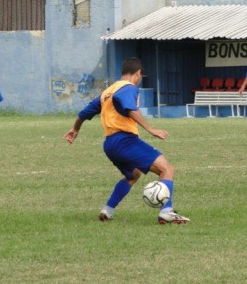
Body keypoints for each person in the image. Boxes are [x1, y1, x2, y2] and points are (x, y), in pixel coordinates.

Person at [63, 57, 190, 224]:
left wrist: (75, 129)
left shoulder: (107, 92)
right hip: (125, 141)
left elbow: (84, 113)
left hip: (110, 144)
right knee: (166, 169)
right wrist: (150, 129)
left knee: (133, 175)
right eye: (139, 77)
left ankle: (107, 210)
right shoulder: (128, 88)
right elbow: (131, 108)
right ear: (137, 74)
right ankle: (167, 211)